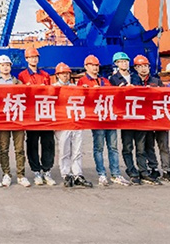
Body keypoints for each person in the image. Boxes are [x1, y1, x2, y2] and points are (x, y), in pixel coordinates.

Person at [77, 55, 131, 187]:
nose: (95, 68)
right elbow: (79, 98)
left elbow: (114, 95)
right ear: (86, 67)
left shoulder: (105, 81)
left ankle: (115, 174)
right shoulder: (82, 82)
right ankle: (101, 174)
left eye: (96, 65)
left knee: (113, 147)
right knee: (99, 147)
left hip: (109, 118)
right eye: (92, 65)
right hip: (96, 119)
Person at [109, 51, 150, 185]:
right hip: (125, 117)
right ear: (116, 64)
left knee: (141, 147)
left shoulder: (135, 77)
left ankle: (143, 171)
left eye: (125, 61)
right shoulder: (114, 79)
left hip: (138, 116)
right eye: (121, 61)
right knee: (127, 147)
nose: (124, 63)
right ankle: (132, 171)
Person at [18, 47, 55, 186]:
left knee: (48, 142)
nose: (34, 59)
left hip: (45, 114)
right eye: (31, 57)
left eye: (35, 57)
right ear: (26, 59)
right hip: (31, 115)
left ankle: (47, 170)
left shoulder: (45, 75)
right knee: (32, 143)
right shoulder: (22, 76)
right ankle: (36, 171)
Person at [53, 63, 92, 188]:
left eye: (67, 73)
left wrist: (86, 91)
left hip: (75, 122)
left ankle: (77, 174)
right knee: (64, 150)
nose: (65, 76)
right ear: (57, 75)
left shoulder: (75, 87)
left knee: (77, 150)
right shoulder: (53, 88)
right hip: (62, 124)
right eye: (62, 73)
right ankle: (66, 174)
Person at [0, 55, 29, 187]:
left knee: (19, 149)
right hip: (2, 120)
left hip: (17, 119)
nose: (5, 67)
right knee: (4, 149)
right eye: (2, 65)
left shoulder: (18, 83)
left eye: (7, 65)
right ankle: (6, 174)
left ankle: (21, 175)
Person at [132, 55, 163, 186]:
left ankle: (153, 168)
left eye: (145, 66)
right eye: (140, 66)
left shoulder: (156, 81)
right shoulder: (133, 81)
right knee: (140, 147)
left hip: (151, 119)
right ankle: (143, 170)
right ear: (136, 68)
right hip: (138, 119)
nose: (143, 69)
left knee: (150, 145)